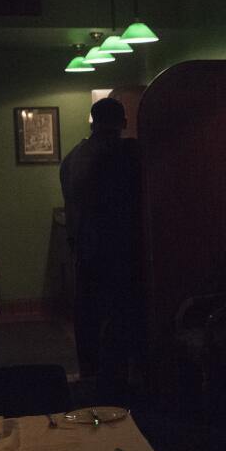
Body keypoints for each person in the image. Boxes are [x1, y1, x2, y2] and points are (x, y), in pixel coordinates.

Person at [60, 98, 143, 403]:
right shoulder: (121, 153)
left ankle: (91, 376)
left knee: (88, 314)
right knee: (117, 316)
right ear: (122, 122)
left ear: (92, 121)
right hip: (117, 247)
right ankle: (116, 385)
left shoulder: (73, 157)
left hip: (83, 245)